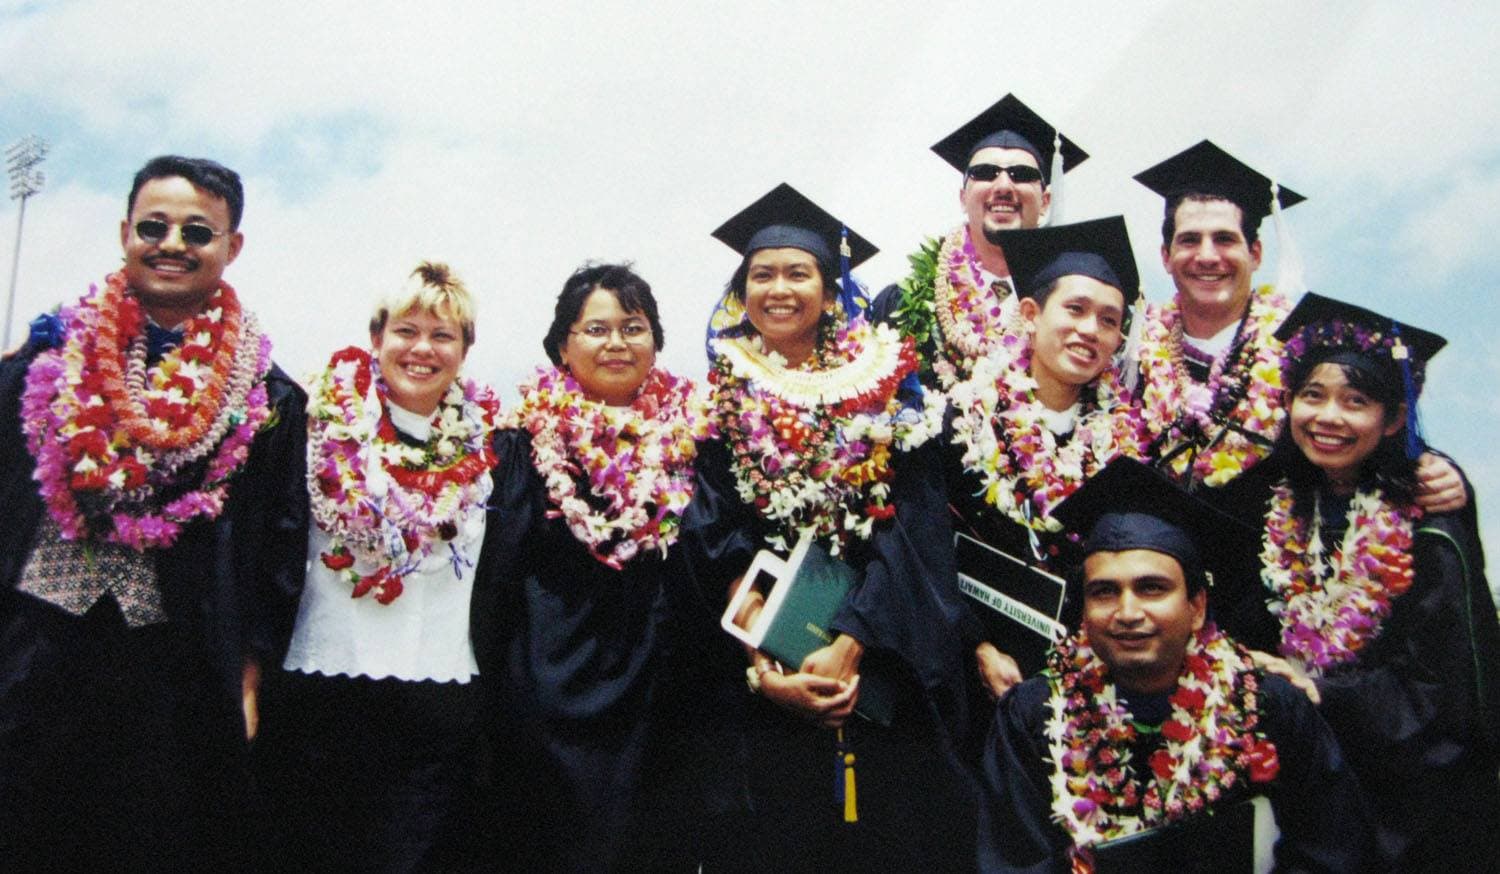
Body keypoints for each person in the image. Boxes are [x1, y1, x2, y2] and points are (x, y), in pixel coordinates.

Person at [0, 155, 307, 871]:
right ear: (123, 233)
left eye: (197, 230)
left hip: (172, 676)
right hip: (27, 660)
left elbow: (275, 555)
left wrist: (250, 680)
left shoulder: (265, 402)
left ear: (232, 248)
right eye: (154, 226)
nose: (173, 243)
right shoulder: (37, 366)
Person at [682, 183, 973, 872]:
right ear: (741, 289)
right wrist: (763, 667)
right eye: (761, 275)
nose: (778, 289)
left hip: (879, 667)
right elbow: (713, 533)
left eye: (797, 272)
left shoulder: (889, 387)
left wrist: (851, 643)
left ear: (830, 285)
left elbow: (915, 528)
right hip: (761, 684)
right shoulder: (719, 399)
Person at [978, 458, 1372, 873]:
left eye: (1152, 588)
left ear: (1197, 607)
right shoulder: (1032, 715)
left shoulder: (1268, 708)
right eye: (1104, 592)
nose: (1127, 612)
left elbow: (1331, 854)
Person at [257, 262, 499, 873]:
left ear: (465, 351)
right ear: (376, 338)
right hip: (323, 691)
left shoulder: (494, 445)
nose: (422, 349)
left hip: (436, 700)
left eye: (443, 335)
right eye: (405, 330)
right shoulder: (313, 425)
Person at [474, 263, 711, 872]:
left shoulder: (694, 439)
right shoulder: (522, 444)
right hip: (551, 689)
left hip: (662, 694)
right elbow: (495, 578)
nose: (616, 344)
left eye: (633, 327)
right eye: (597, 329)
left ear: (656, 342)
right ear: (562, 345)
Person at [1251, 293, 1500, 871]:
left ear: (1392, 420)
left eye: (1355, 401)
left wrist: (1319, 692)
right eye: (1312, 395)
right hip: (1314, 793)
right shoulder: (1284, 509)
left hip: (1411, 819)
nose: (1328, 417)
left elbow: (1443, 698)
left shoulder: (1430, 533)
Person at [1132, 141, 1467, 515]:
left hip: (1278, 555)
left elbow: (1373, 430)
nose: (1207, 256)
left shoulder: (1306, 346)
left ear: (1255, 253)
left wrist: (1442, 472)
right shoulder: (1132, 350)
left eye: (1225, 239)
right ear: (1166, 257)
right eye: (1189, 240)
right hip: (1158, 553)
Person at [944, 216, 1146, 707]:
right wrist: (978, 645)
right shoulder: (961, 420)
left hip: (1083, 686)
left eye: (1108, 320)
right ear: (1031, 313)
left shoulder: (1129, 449)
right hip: (965, 674)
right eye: (1074, 309)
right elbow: (926, 551)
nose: (1089, 330)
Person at [869, 94, 1089, 390]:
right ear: (963, 197)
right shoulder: (900, 305)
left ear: (1046, 201)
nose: (1003, 186)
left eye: (1021, 175)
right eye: (985, 173)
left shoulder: (1077, 309)